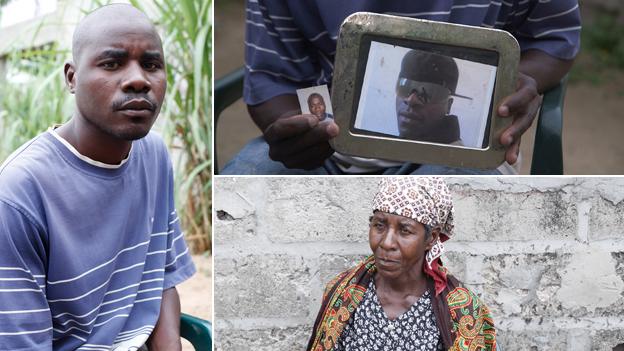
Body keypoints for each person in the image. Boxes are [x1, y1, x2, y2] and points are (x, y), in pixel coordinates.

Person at [0, 4, 195, 350]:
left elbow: (161, 278)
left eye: (151, 65)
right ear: (72, 78)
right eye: (112, 63)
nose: (138, 79)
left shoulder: (154, 154)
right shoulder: (19, 194)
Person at [221, 1, 580, 175]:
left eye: (428, 93)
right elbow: (274, 76)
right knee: (243, 185)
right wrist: (296, 133)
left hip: (461, 153)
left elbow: (552, 37)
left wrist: (517, 81)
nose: (412, 100)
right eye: (406, 88)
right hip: (327, 145)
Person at [307, 177, 496, 351]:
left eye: (404, 230)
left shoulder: (462, 310)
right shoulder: (342, 294)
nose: (387, 243)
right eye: (379, 225)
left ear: (431, 238)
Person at [395, 50, 464, 145]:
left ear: (448, 106)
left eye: (430, 92)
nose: (411, 100)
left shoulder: (454, 157)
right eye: (405, 88)